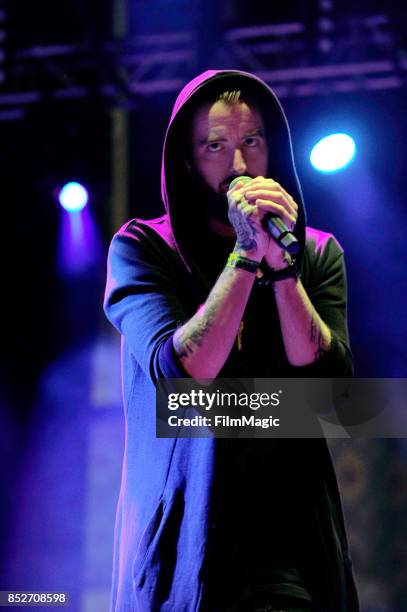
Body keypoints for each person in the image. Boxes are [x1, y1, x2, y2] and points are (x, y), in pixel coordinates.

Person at [103, 70, 360, 612]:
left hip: (293, 551)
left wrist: (283, 271)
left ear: (274, 148)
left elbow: (331, 389)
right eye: (216, 146)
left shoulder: (316, 253)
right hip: (187, 548)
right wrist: (244, 258)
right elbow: (181, 373)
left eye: (251, 142)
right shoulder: (143, 248)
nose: (239, 165)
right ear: (189, 160)